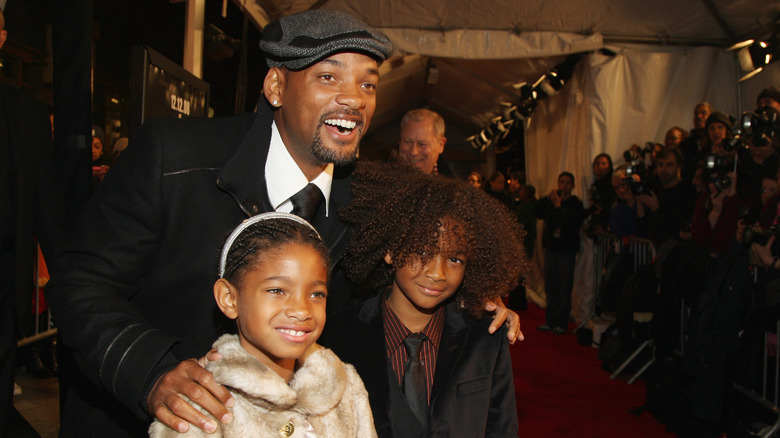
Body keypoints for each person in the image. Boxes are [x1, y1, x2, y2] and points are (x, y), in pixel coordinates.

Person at [47, 10, 520, 437]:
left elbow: (423, 258)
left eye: (368, 84)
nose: (353, 99)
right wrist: (149, 372)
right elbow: (80, 283)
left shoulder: (370, 201)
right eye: (328, 77)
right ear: (276, 87)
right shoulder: (175, 158)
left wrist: (478, 295)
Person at [320, 161, 524, 437]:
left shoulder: (485, 337)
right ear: (390, 250)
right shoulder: (338, 337)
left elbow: (501, 429)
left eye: (454, 258)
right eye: (422, 251)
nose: (438, 273)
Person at [149, 213, 376, 437]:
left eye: (317, 294)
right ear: (229, 298)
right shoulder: (202, 406)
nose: (301, 310)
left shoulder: (345, 386)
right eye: (276, 290)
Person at [0, 7, 68, 436]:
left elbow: (48, 210)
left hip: (4, 291)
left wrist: (71, 291)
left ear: (2, 37)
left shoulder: (25, 112)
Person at [533, 171, 585, 334]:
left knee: (564, 288)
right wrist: (547, 199)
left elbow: (570, 223)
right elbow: (536, 212)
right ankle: (550, 321)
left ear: (573, 185)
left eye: (567, 182)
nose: (564, 185)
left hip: (566, 251)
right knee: (550, 287)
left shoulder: (575, 204)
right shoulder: (552, 201)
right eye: (561, 182)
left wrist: (559, 206)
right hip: (551, 250)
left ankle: (561, 323)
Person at [637, 147, 698, 249]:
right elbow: (645, 226)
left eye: (669, 165)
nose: (664, 170)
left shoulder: (688, 191)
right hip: (652, 247)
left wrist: (656, 208)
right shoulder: (653, 188)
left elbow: (677, 227)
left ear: (679, 166)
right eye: (660, 165)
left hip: (676, 249)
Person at [397, 108, 447, 175]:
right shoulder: (383, 180)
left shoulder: (456, 182)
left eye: (422, 144)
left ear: (441, 145)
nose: (413, 152)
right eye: (407, 142)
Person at [679, 102, 712, 184]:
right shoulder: (685, 145)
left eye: (703, 113)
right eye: (696, 114)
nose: (699, 117)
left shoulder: (716, 144)